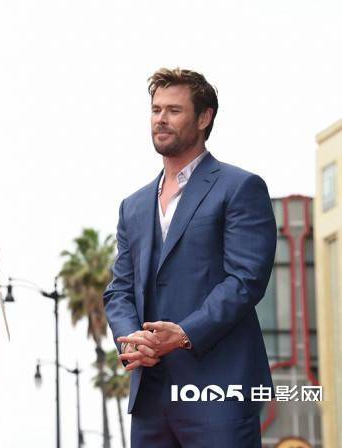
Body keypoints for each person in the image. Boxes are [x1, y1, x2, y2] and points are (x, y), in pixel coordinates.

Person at [103, 68, 276, 447]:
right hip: (151, 397)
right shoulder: (133, 206)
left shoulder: (240, 187)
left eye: (174, 110)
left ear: (204, 117)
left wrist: (184, 335)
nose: (161, 119)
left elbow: (245, 280)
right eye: (156, 110)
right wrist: (130, 341)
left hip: (219, 392)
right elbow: (119, 290)